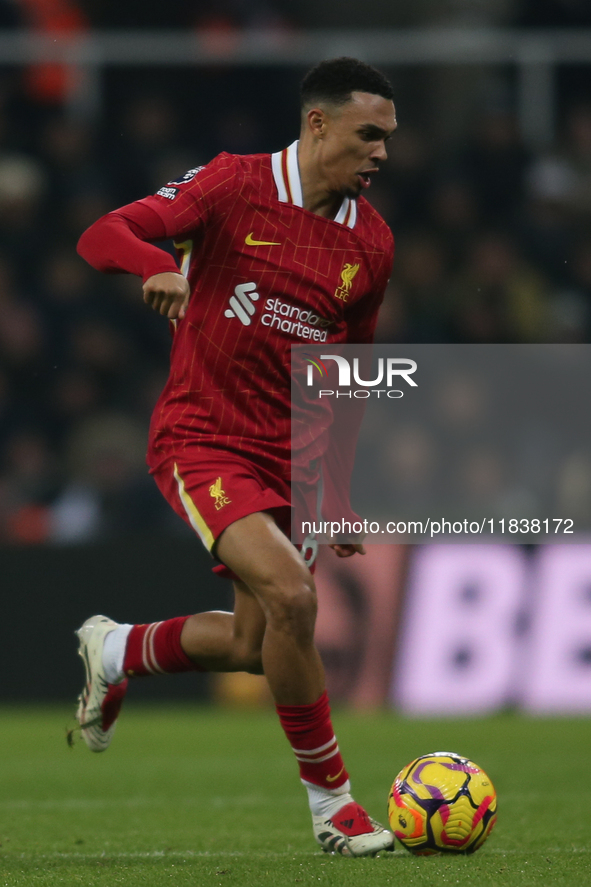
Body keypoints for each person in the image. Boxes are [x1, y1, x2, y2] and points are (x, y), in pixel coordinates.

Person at [73, 57, 397, 857]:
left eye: (389, 138)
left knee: (258, 644)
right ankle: (335, 808)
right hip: (203, 435)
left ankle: (114, 649)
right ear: (317, 124)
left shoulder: (374, 243)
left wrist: (337, 492)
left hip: (295, 458)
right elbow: (100, 233)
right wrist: (156, 264)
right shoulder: (231, 184)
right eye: (368, 134)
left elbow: (347, 374)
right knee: (292, 597)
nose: (382, 152)